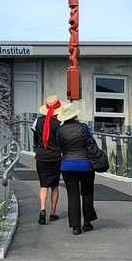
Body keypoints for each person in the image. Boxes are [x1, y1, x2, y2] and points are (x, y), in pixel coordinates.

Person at [56, 101, 98, 236]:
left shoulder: (59, 131)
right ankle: (87, 223)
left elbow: (60, 147)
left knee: (72, 195)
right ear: (74, 116)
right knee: (87, 193)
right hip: (86, 165)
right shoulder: (84, 127)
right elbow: (91, 142)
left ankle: (75, 227)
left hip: (67, 165)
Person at [32, 95, 63, 224]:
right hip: (55, 157)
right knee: (55, 186)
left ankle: (42, 209)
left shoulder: (37, 122)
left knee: (43, 185)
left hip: (41, 156)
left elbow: (35, 140)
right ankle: (53, 213)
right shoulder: (60, 123)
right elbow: (62, 141)